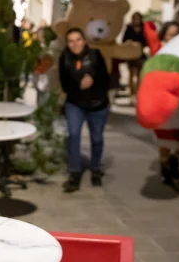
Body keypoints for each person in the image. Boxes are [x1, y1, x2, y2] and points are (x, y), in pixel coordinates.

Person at [59, 28, 111, 193]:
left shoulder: (95, 55)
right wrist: (78, 86)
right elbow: (65, 85)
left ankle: (95, 168)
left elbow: (107, 79)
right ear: (67, 44)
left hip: (98, 105)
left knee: (96, 138)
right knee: (73, 135)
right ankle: (74, 172)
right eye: (71, 41)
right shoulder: (64, 59)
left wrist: (93, 80)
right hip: (75, 104)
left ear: (85, 41)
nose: (75, 44)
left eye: (78, 40)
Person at [151, 21, 179, 186]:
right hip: (164, 100)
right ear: (165, 35)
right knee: (165, 138)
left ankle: (175, 158)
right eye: (171, 34)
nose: (174, 37)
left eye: (177, 34)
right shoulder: (159, 51)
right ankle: (164, 165)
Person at [122, 12, 148, 97]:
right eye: (134, 18)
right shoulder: (129, 28)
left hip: (141, 54)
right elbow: (124, 40)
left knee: (140, 75)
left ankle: (139, 92)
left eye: (138, 18)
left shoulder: (144, 28)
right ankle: (132, 93)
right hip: (131, 55)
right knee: (132, 74)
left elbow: (147, 40)